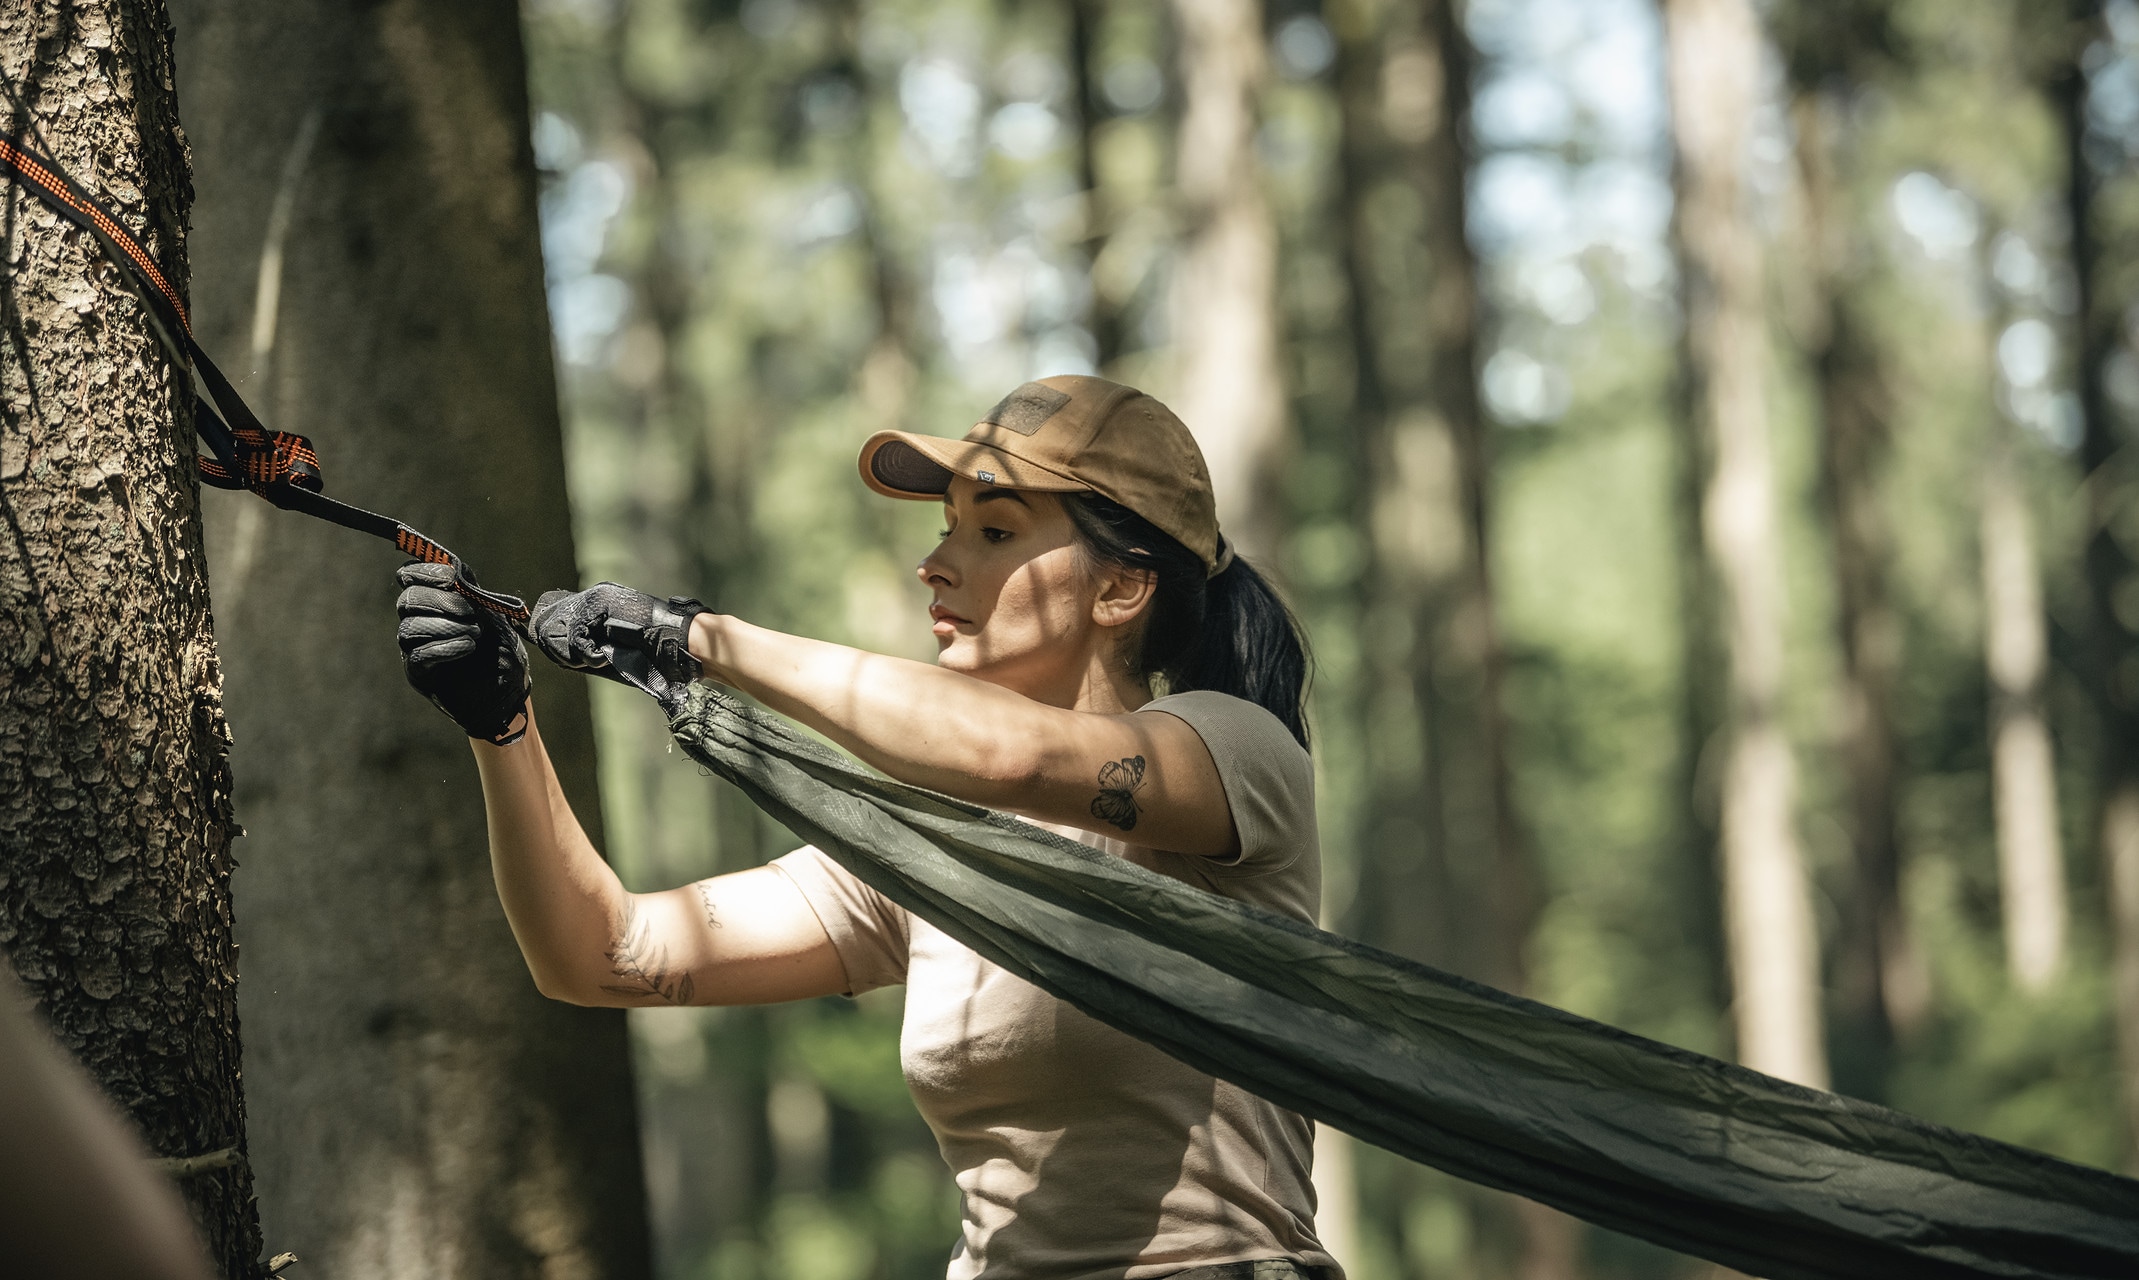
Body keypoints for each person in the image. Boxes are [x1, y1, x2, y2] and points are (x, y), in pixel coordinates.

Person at [394, 375, 1336, 1280]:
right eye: (945, 530)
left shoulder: (1229, 754)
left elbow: (1016, 757)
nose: (935, 563)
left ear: (1120, 592)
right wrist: (501, 727)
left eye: (994, 531)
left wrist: (696, 637)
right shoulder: (928, 845)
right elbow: (604, 955)